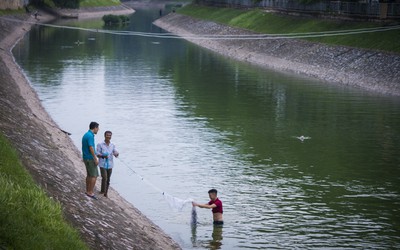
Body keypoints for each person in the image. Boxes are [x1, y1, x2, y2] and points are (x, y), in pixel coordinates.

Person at [96, 130, 119, 197]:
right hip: (102, 164)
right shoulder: (100, 144)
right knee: (104, 177)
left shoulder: (113, 145)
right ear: (104, 136)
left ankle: (105, 192)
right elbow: (97, 153)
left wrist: (116, 154)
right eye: (107, 135)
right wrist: (103, 156)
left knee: (108, 179)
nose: (108, 136)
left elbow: (115, 152)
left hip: (110, 164)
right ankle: (102, 191)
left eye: (110, 135)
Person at [82, 122, 99, 199]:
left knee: (89, 175)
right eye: (97, 128)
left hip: (86, 157)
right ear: (94, 128)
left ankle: (87, 191)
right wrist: (95, 158)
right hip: (90, 158)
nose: (98, 130)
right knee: (94, 175)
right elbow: (91, 147)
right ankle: (90, 192)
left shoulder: (86, 134)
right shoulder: (90, 136)